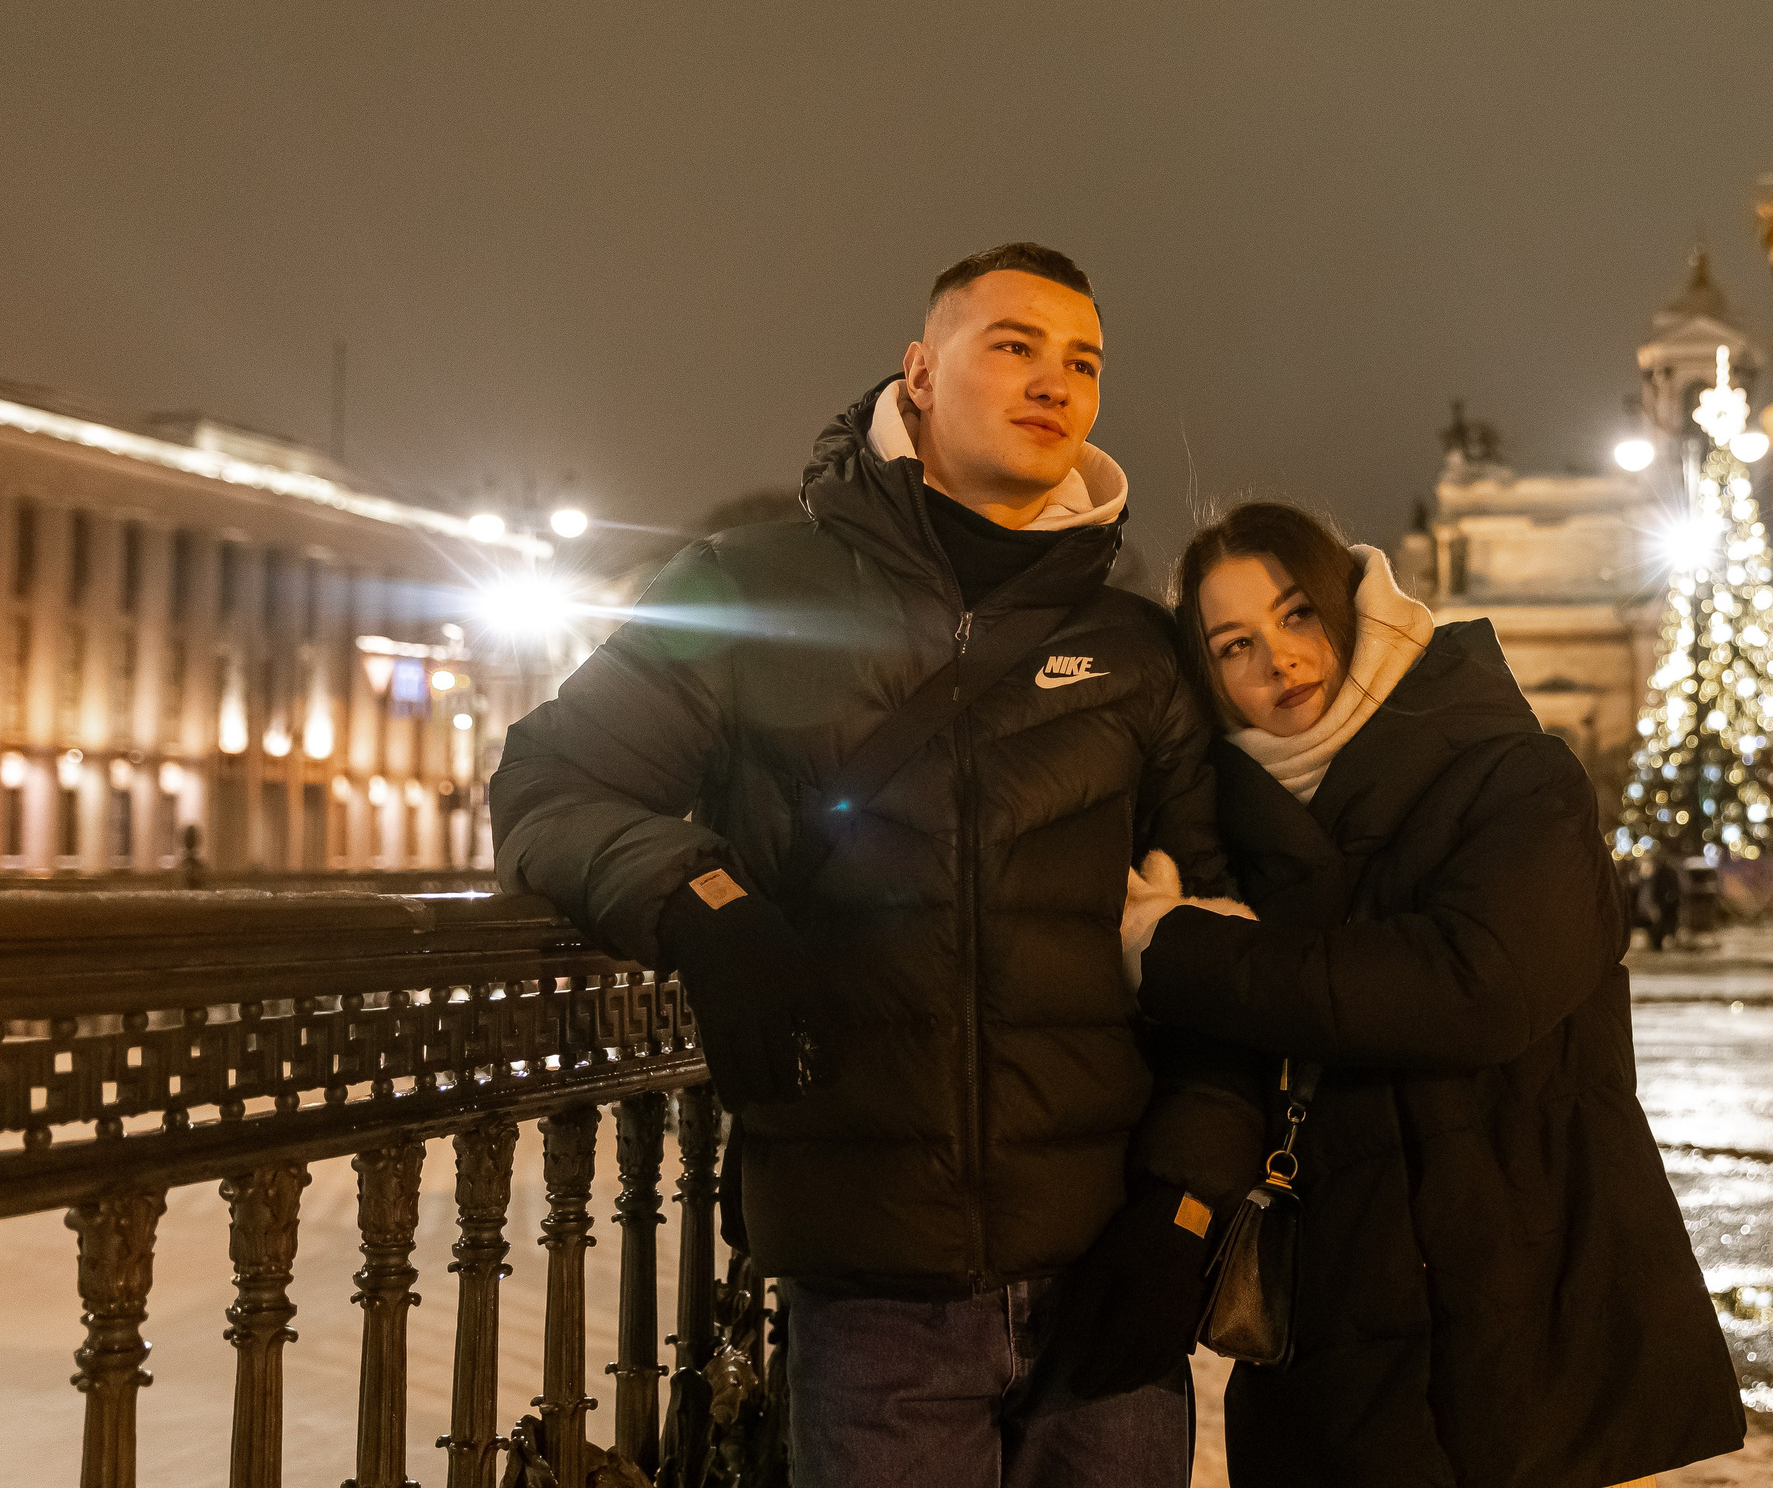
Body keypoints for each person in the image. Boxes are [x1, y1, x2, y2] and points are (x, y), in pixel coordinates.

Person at [490, 244, 1260, 1487]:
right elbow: (546, 785)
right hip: (871, 1294)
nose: (1053, 382)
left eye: (1082, 362)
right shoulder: (747, 590)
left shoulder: (1137, 648)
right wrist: (700, 898)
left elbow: (1225, 950)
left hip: (1111, 1269)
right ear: (918, 373)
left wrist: (1182, 1218)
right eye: (1013, 345)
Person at [1119, 501, 1745, 1488]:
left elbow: (1470, 988)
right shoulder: (1221, 830)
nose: (1278, 661)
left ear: (1349, 607)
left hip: (1529, 1318)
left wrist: (1179, 950)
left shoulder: (1515, 776)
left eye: (1295, 616)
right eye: (1232, 645)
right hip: (1331, 1337)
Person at [1650, 850, 1685, 952]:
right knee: (1665, 922)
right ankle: (1663, 941)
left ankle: (1664, 941)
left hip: (1668, 902)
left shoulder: (1663, 872)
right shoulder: (1665, 872)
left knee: (1666, 922)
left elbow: (1658, 888)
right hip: (1667, 902)